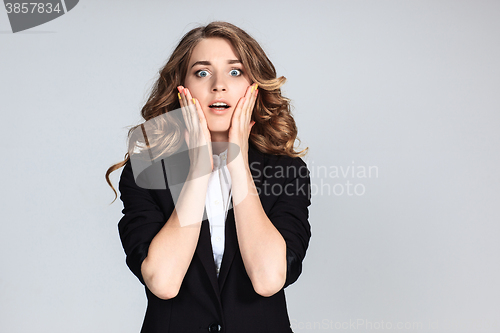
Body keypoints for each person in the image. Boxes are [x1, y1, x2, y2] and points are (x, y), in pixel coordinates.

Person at [105, 21, 311, 333]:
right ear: (180, 88)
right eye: (202, 72)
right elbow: (163, 282)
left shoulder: (287, 171)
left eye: (235, 71)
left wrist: (238, 163)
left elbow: (269, 279)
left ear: (254, 86)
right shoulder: (145, 170)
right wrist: (200, 166)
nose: (218, 85)